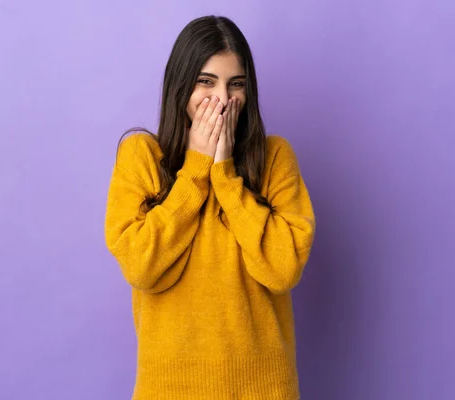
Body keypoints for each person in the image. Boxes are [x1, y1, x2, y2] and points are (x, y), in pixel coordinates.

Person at [104, 15, 315, 400]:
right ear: (181, 84)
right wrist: (196, 169)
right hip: (169, 389)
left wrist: (226, 175)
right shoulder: (141, 156)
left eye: (236, 84)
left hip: (264, 389)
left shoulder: (275, 158)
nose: (222, 98)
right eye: (206, 81)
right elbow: (140, 266)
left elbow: (284, 270)